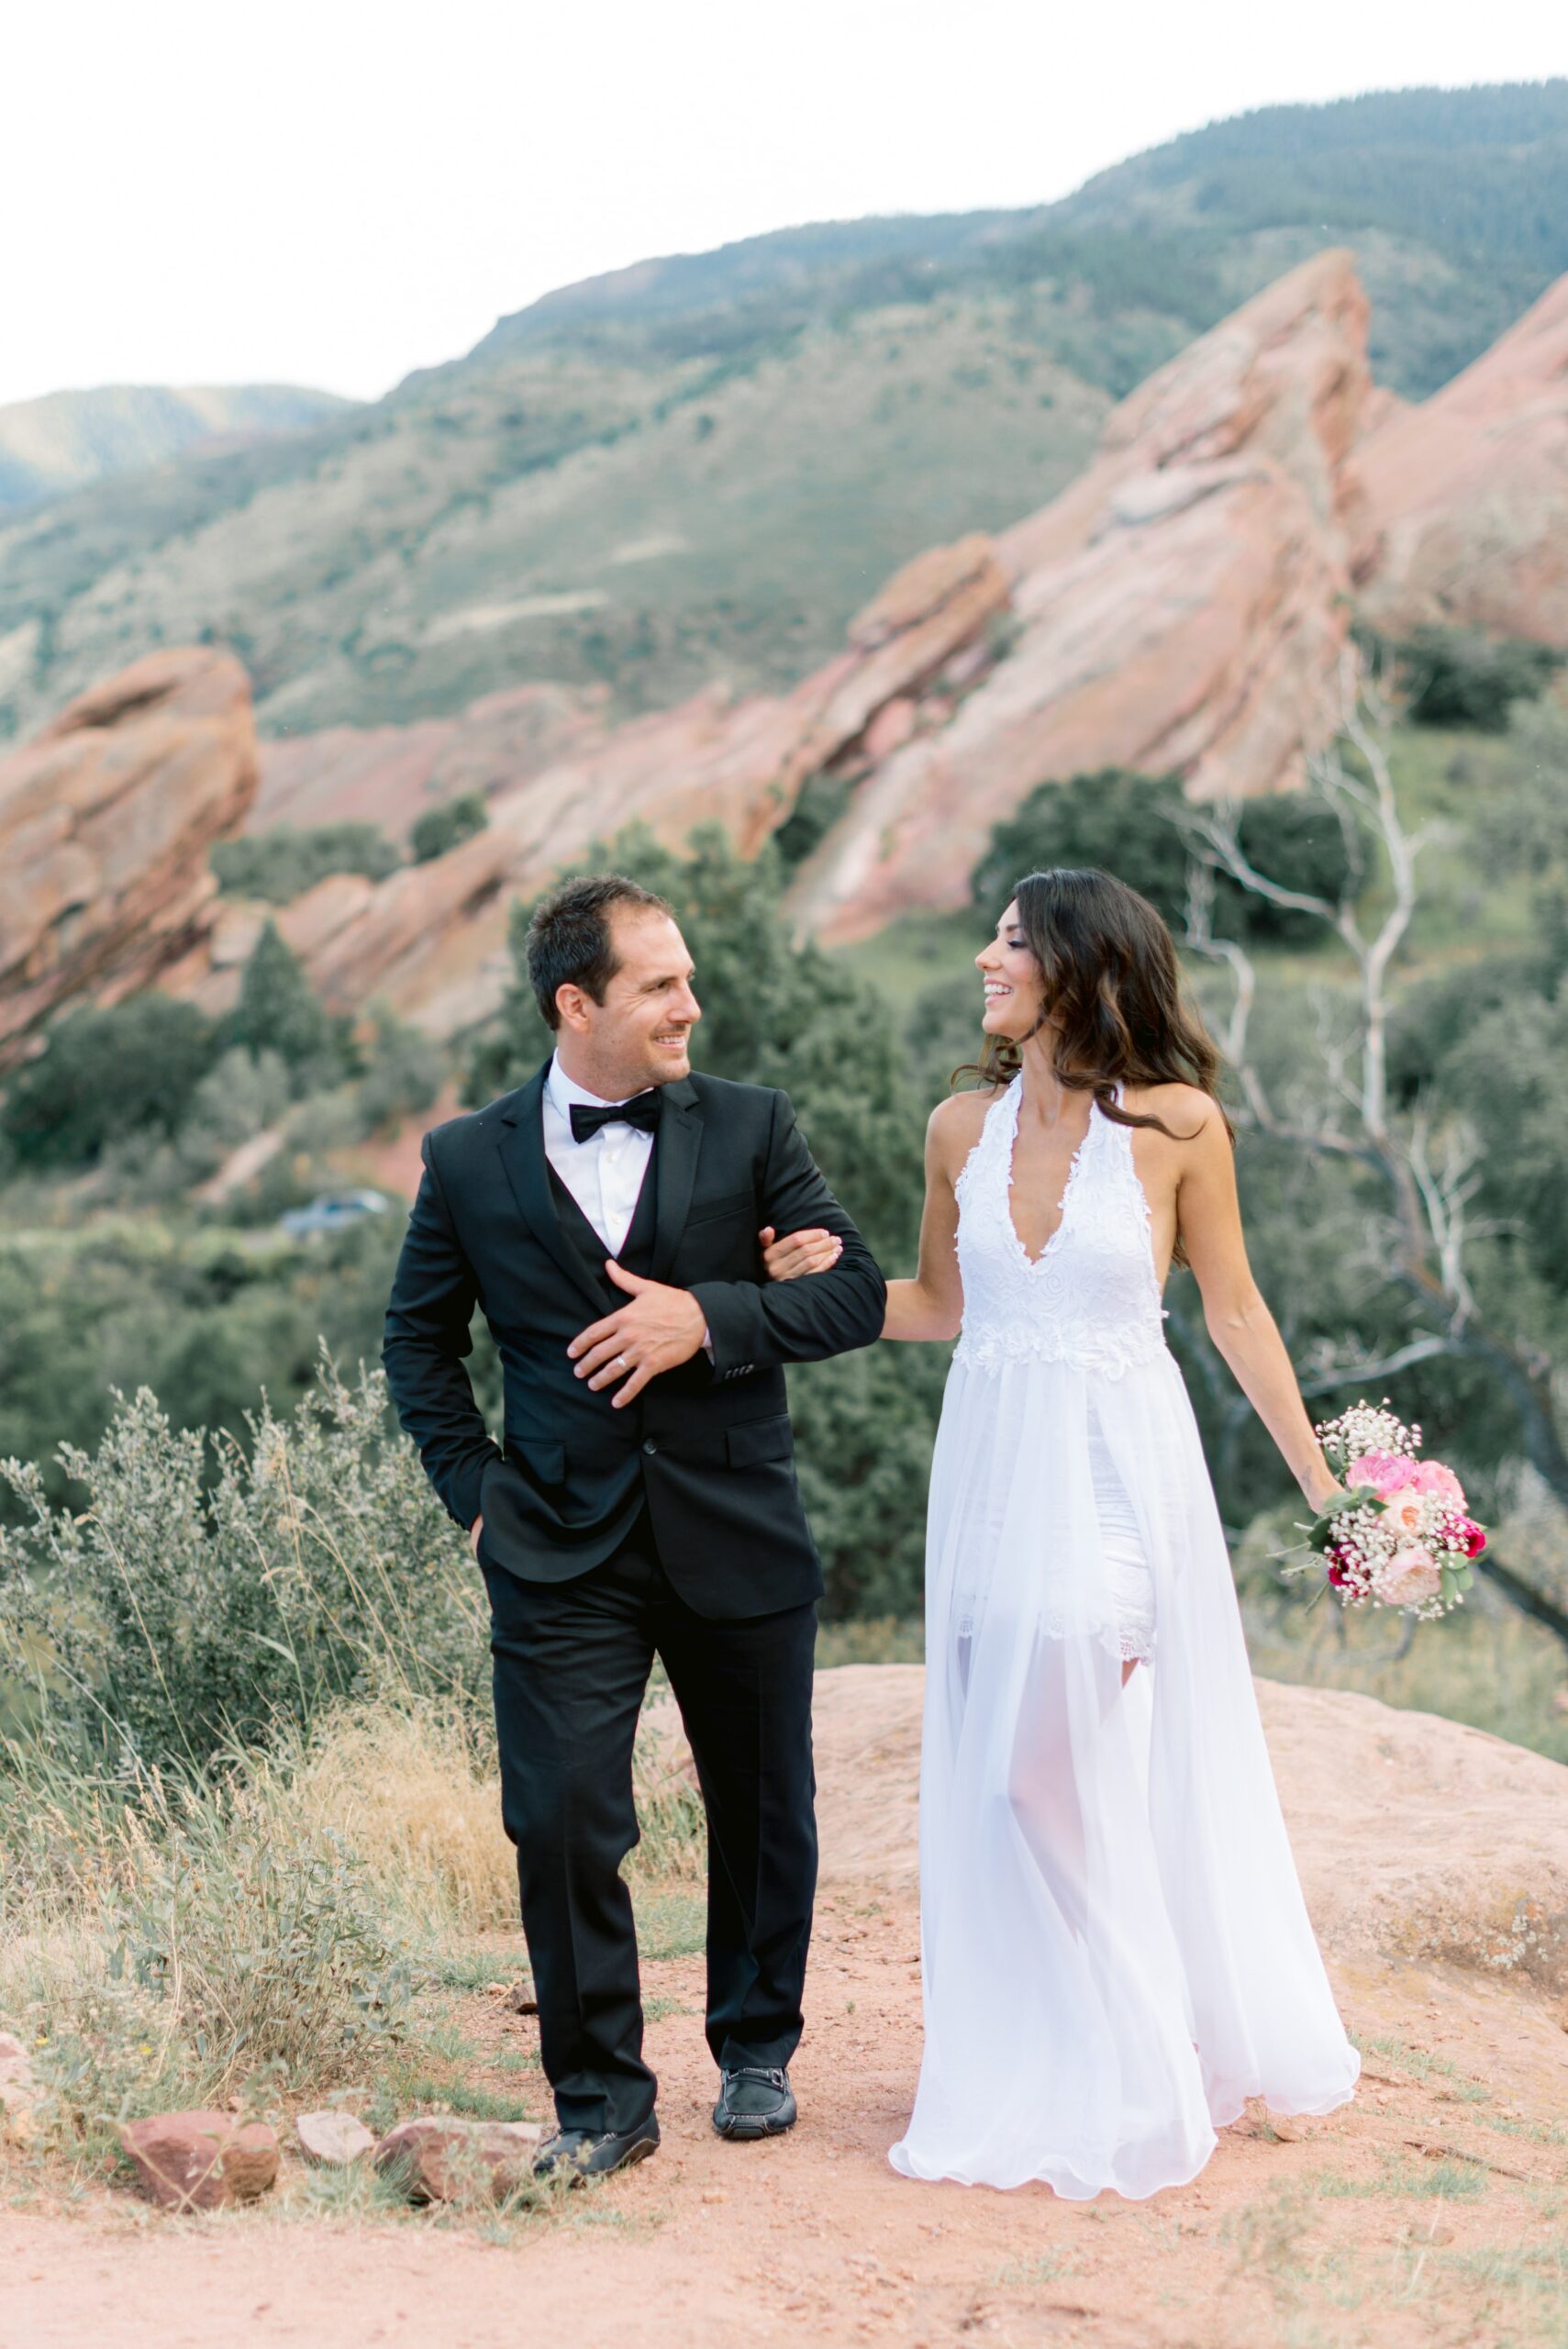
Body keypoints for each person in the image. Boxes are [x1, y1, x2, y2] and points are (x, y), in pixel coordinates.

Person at [767, 866, 1359, 2199]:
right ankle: (1080, 2040)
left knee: (1037, 1779)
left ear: (1081, 971)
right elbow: (932, 1303)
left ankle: (1149, 2045)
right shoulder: (954, 1129)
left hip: (1113, 1483)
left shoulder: (1176, 1128)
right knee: (1017, 1783)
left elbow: (1235, 1315)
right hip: (987, 1477)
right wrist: (812, 1285)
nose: (985, 958)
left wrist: (1332, 1494)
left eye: (1012, 941)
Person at [383, 874, 884, 2181]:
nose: (690, 1006)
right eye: (660, 985)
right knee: (556, 1818)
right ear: (575, 1001)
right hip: (553, 1541)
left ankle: (756, 2050)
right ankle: (601, 2099)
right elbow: (417, 1345)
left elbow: (855, 1298)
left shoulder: (754, 1127)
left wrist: (707, 1317)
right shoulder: (465, 1158)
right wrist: (474, 1494)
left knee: (764, 1806)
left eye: (687, 979)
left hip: (736, 1524)